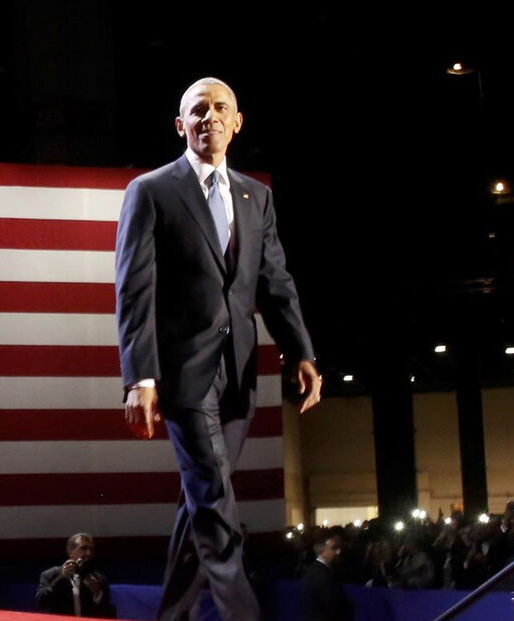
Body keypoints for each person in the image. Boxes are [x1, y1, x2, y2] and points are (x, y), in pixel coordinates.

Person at [114, 76, 321, 621]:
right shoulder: (151, 190)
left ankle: (172, 616)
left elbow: (275, 282)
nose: (210, 117)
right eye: (198, 110)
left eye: (220, 108)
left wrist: (301, 350)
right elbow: (134, 289)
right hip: (182, 374)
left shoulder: (257, 196)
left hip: (240, 372)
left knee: (200, 501)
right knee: (212, 496)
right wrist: (140, 378)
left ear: (237, 121)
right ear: (180, 125)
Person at [36, 533, 116, 618]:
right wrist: (62, 578)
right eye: (83, 548)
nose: (88, 553)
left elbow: (109, 612)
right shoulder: (51, 575)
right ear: (70, 552)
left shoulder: (98, 579)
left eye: (91, 550)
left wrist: (97, 594)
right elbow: (41, 601)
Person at [301, 535, 352, 621]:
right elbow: (333, 606)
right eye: (333, 548)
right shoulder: (323, 575)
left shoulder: (314, 569)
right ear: (321, 552)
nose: (338, 552)